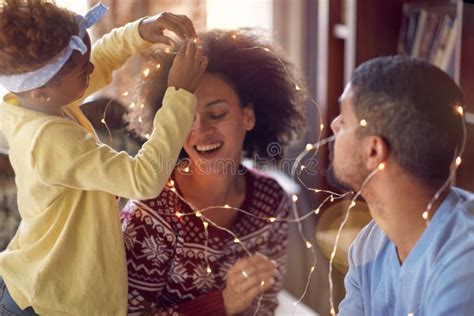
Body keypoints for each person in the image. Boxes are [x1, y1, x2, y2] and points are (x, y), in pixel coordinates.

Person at [0, 0, 208, 314]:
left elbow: (99, 57)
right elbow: (144, 178)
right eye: (84, 71)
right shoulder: (49, 140)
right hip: (52, 301)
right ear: (43, 90)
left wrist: (139, 31)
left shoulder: (30, 103)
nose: (93, 70)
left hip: (35, 277)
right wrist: (179, 94)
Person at [121, 28, 307, 315]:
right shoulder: (151, 209)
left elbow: (266, 303)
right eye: (185, 118)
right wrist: (223, 303)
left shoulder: (272, 199)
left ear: (248, 116)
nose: (200, 130)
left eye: (217, 114)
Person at [327, 55, 474, 315]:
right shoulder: (368, 246)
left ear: (374, 151)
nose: (334, 125)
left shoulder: (464, 264)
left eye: (345, 120)